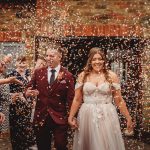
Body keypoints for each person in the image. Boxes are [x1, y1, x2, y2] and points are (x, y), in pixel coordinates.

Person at [68, 47, 134, 150]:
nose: (97, 62)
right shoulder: (83, 76)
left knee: (105, 144)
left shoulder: (112, 76)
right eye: (94, 59)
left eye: (100, 59)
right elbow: (77, 99)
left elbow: (119, 100)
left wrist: (128, 117)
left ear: (104, 61)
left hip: (107, 114)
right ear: (90, 61)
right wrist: (71, 116)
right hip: (87, 115)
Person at [25, 44, 75, 150]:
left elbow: (71, 98)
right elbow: (28, 88)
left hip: (59, 117)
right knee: (43, 146)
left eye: (51, 56)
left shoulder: (68, 75)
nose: (48, 58)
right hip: (41, 116)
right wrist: (28, 92)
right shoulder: (38, 72)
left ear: (59, 56)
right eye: (47, 56)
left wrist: (72, 116)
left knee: (61, 145)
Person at [8, 56, 35, 150]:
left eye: (24, 63)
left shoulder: (28, 74)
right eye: (20, 62)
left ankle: (26, 147)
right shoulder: (12, 74)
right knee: (17, 129)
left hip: (27, 105)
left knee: (26, 128)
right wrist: (20, 95)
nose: (22, 65)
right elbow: (8, 91)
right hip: (16, 107)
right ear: (16, 63)